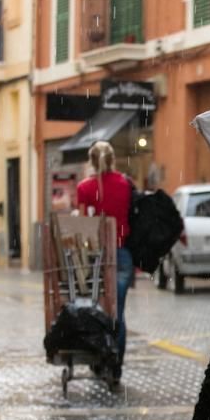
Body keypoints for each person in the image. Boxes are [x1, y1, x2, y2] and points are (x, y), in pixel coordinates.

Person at [76, 141, 134, 380]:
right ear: (112, 159)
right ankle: (116, 363)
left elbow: (82, 225)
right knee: (117, 312)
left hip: (95, 257)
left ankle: (99, 358)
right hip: (121, 254)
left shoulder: (85, 187)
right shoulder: (125, 184)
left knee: (96, 309)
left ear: (91, 160)